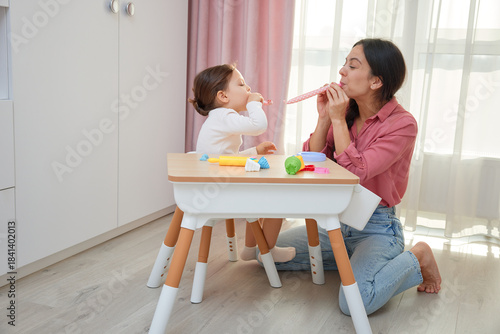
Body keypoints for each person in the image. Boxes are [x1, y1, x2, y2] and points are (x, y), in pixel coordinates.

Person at [265, 38, 442, 315]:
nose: (342, 71)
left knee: (354, 304)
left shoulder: (403, 125)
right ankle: (350, 260)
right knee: (263, 254)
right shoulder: (345, 114)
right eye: (344, 63)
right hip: (334, 221)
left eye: (352, 65)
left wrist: (337, 120)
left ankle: (417, 256)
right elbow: (313, 161)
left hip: (376, 227)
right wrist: (325, 117)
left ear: (376, 82)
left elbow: (356, 173)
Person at [189, 64, 296, 263]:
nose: (248, 89)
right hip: (220, 190)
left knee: (262, 191)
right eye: (241, 84)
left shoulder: (221, 118)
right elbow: (259, 126)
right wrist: (254, 104)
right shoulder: (223, 116)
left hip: (216, 185)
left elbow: (228, 157)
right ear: (223, 96)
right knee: (279, 196)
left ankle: (250, 248)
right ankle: (268, 250)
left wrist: (255, 151)